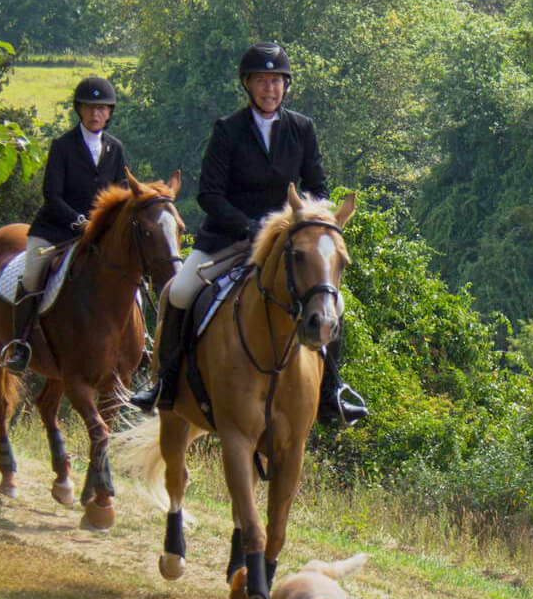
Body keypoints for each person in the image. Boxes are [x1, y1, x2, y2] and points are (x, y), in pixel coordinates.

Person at [129, 42, 366, 425]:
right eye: (261, 81)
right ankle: (163, 382)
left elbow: (318, 187)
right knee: (180, 292)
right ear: (247, 85)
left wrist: (309, 215)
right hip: (230, 238)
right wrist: (249, 225)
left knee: (332, 305)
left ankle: (332, 390)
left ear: (285, 87)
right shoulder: (228, 130)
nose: (269, 89)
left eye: (276, 81)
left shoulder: (302, 129)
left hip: (287, 243)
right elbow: (209, 194)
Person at [0, 75, 127, 372]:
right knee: (33, 275)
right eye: (89, 108)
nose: (95, 114)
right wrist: (78, 221)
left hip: (98, 235)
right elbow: (51, 194)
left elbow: (120, 193)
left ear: (109, 113)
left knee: (131, 276)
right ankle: (20, 346)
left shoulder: (115, 148)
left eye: (102, 108)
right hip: (56, 229)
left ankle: (139, 343)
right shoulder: (63, 145)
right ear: (79, 110)